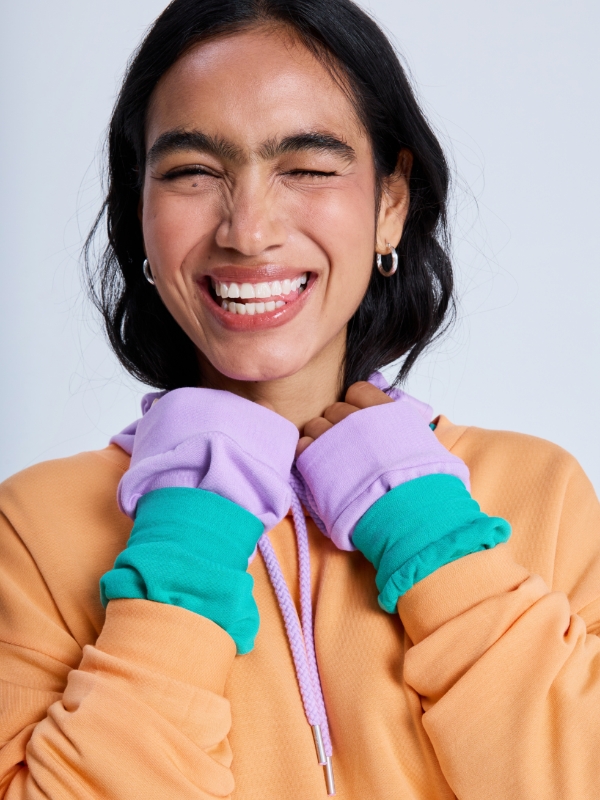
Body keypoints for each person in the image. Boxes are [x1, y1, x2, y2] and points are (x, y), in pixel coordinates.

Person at [1, 0, 598, 797]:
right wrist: (183, 560)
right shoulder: (34, 529)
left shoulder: (540, 493)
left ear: (390, 201)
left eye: (308, 167)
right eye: (191, 172)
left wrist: (439, 543)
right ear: (140, 209)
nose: (247, 230)